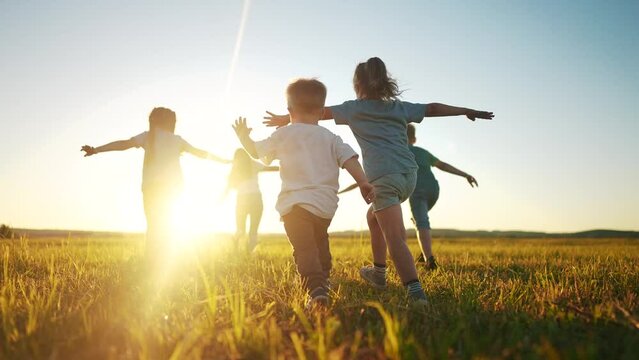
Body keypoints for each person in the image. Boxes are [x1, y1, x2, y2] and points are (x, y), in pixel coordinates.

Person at [264, 57, 493, 304]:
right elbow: (433, 108)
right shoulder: (398, 107)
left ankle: (416, 294)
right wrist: (466, 111)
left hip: (384, 178)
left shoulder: (354, 108)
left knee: (394, 237)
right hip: (408, 176)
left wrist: (286, 119)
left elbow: (314, 113)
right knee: (373, 218)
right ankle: (378, 273)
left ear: (357, 84)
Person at [233, 78, 374, 308]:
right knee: (319, 242)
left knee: (305, 247)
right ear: (321, 112)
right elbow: (350, 159)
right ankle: (323, 278)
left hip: (295, 204)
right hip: (326, 206)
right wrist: (364, 182)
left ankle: (316, 289)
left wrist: (244, 138)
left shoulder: (283, 134)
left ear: (289, 111)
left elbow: (256, 152)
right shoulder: (331, 138)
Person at [81, 107, 230, 262]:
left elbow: (123, 144)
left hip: (151, 189)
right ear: (171, 122)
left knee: (153, 226)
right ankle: (168, 262)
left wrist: (97, 150)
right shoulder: (176, 140)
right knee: (170, 226)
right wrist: (224, 160)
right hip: (174, 189)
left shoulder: (148, 137)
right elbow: (201, 153)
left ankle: (152, 261)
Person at [226, 148, 278, 252]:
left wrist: (221, 197)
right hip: (256, 198)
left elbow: (229, 186)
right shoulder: (253, 164)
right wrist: (285, 166)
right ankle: (249, 252)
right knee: (253, 230)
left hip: (242, 199)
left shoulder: (236, 167)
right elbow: (270, 168)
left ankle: (236, 249)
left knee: (240, 229)